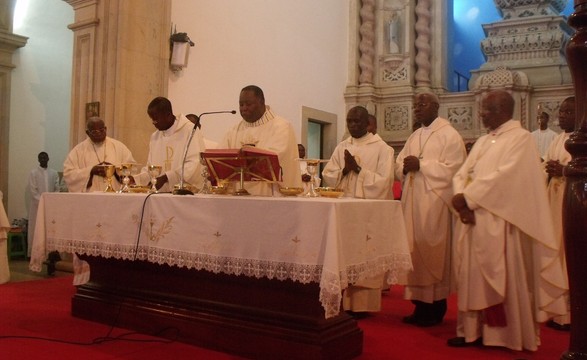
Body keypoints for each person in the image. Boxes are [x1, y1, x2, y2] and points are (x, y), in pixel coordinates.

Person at [449, 89, 567, 351]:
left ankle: (503, 336)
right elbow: (462, 172)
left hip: (501, 223)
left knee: (502, 278)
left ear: (502, 110)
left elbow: (507, 178)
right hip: (472, 220)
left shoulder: (521, 139)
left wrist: (467, 198)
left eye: (485, 109)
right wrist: (460, 198)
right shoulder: (482, 141)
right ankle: (471, 332)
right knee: (471, 277)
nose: (480, 114)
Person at [395, 92, 466, 327]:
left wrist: (422, 165)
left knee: (432, 253)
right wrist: (403, 168)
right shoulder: (415, 135)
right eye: (415, 104)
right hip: (413, 202)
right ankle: (420, 306)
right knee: (415, 252)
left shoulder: (449, 135)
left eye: (422, 104)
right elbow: (400, 162)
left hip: (435, 204)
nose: (417, 108)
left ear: (436, 106)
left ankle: (436, 308)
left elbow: (456, 169)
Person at [322, 105, 394, 315]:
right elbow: (329, 174)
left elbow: (385, 182)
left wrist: (358, 170)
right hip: (345, 212)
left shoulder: (383, 149)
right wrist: (345, 169)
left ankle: (364, 306)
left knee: (365, 255)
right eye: (349, 121)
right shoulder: (341, 146)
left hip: (368, 214)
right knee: (345, 255)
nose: (353, 125)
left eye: (357, 121)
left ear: (367, 123)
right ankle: (343, 301)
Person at [219, 85, 302, 196]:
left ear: (262, 102)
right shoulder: (234, 130)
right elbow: (221, 157)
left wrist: (245, 159)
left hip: (271, 195)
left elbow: (276, 158)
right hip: (237, 197)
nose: (244, 108)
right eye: (241, 104)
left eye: (248, 104)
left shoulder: (281, 126)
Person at [543, 96, 575, 331]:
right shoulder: (558, 139)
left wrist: (564, 170)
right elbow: (544, 164)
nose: (561, 116)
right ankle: (555, 310)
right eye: (561, 112)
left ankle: (571, 315)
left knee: (571, 257)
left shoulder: (582, 139)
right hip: (554, 204)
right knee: (555, 252)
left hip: (574, 205)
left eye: (567, 112)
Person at [133, 97, 205, 192]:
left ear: (168, 114)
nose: (153, 123)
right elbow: (151, 168)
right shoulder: (155, 137)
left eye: (156, 119)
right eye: (152, 119)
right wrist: (135, 179)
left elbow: (194, 164)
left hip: (184, 194)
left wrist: (167, 177)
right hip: (159, 195)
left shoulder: (190, 131)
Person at [63, 117, 136, 192]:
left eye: (101, 130)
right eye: (94, 132)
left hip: (115, 196)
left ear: (105, 129)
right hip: (89, 199)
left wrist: (114, 170)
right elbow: (69, 175)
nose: (99, 134)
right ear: (87, 133)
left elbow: (132, 170)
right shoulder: (77, 151)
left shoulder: (119, 147)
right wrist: (91, 171)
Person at [28, 152, 60, 257]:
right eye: (40, 157)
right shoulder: (33, 173)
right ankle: (35, 254)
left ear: (48, 158)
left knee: (50, 228)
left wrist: (50, 201)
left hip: (50, 207)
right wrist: (42, 201)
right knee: (36, 228)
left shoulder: (54, 173)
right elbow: (33, 191)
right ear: (38, 159)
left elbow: (57, 189)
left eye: (45, 157)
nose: (43, 159)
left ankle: (49, 253)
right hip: (37, 207)